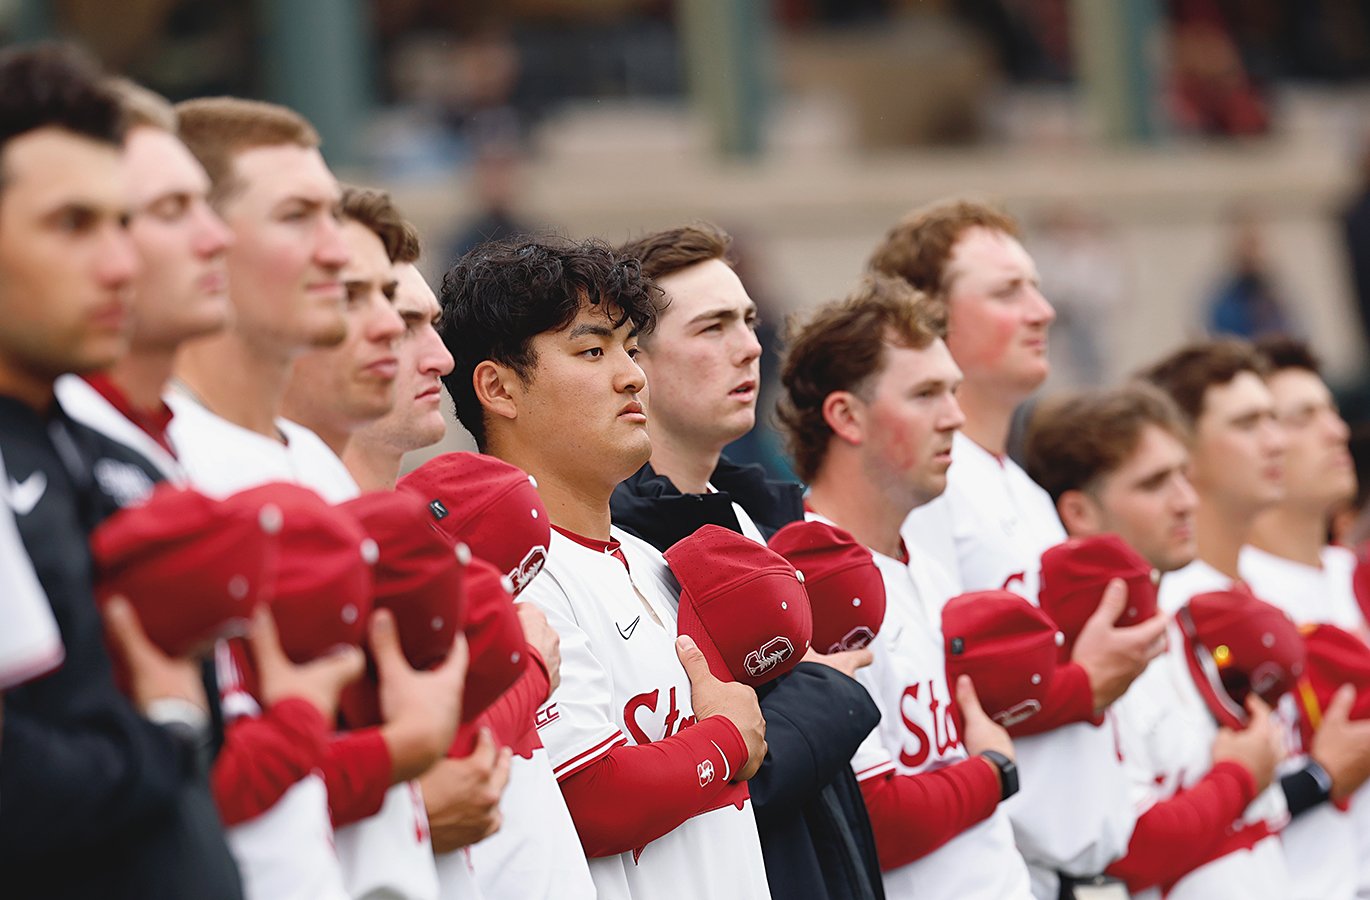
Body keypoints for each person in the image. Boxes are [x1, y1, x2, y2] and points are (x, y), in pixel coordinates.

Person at [171, 97, 459, 899]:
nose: (336, 251)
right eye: (298, 216)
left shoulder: (310, 459)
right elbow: (186, 782)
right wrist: (405, 747)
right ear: (199, 237)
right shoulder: (164, 465)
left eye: (332, 215)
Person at [438, 236, 772, 900]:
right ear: (498, 387)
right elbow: (588, 799)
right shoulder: (507, 577)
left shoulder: (649, 559)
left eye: (629, 347)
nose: (632, 375)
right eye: (593, 351)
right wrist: (727, 742)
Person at [0, 44, 240, 898]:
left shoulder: (104, 457)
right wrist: (171, 728)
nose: (118, 264)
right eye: (73, 224)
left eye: (119, 222)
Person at [610, 222, 885, 900]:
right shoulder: (621, 543)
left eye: (750, 320)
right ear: (632, 362)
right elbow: (713, 785)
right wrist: (827, 691)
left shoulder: (767, 515)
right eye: (713, 329)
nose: (750, 347)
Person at [338, 192, 585, 900]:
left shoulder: (410, 534)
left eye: (428, 324)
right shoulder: (301, 518)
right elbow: (443, 754)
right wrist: (528, 662)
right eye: (403, 322)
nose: (439, 357)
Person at [777, 272, 1032, 900]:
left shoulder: (929, 565)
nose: (954, 417)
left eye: (953, 390)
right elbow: (875, 821)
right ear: (846, 415)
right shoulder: (811, 578)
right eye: (925, 394)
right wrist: (993, 771)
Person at [1025, 383, 1297, 897]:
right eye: (1154, 484)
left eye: (1184, 476)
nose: (1186, 501)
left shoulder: (1183, 623)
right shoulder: (1077, 664)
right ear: (1079, 512)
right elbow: (1126, 850)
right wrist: (1239, 775)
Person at [1240, 337, 1370, 899]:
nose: (1336, 432)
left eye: (1332, 412)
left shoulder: (1357, 575)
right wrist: (1319, 776)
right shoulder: (1231, 604)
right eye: (1303, 417)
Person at [55, 78, 232, 478]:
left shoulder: (180, 436)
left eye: (206, 203)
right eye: (171, 210)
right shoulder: (43, 447)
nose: (218, 238)